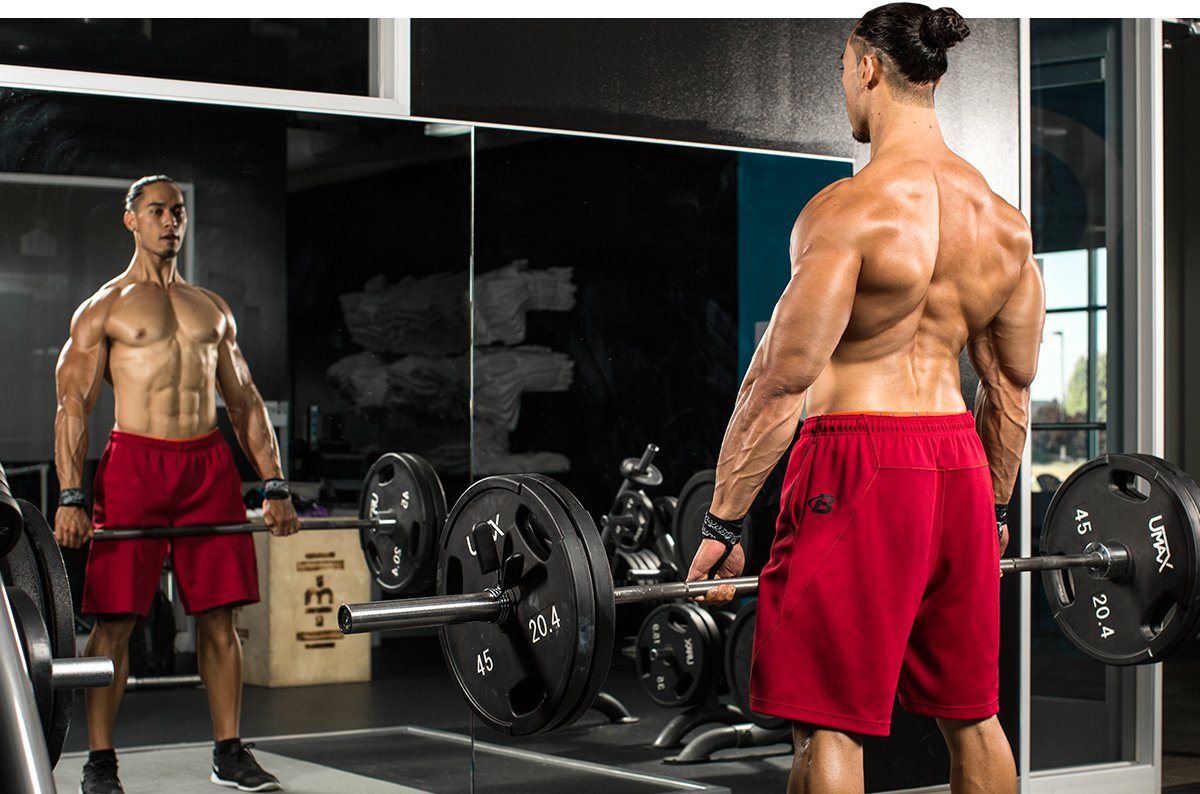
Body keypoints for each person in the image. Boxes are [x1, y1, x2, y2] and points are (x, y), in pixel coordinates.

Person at [686, 6, 1045, 794]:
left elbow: (780, 381)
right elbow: (1010, 390)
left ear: (867, 68)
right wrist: (987, 511)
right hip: (957, 467)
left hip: (857, 460)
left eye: (843, 72)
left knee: (828, 723)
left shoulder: (849, 211)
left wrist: (722, 518)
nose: (845, 86)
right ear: (937, 77)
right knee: (973, 713)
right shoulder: (1006, 228)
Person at [54, 175, 300, 794]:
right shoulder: (103, 307)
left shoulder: (211, 309)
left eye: (179, 212)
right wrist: (71, 494)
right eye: (158, 211)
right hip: (134, 465)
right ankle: (101, 762)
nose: (171, 222)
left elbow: (244, 403)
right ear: (131, 220)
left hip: (207, 464)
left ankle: (228, 751)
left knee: (221, 617)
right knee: (113, 622)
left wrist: (272, 483)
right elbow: (74, 406)